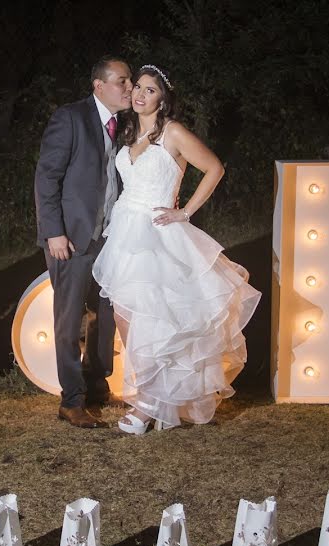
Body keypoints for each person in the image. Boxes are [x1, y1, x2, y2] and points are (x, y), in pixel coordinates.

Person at [92, 64, 262, 434]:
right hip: (125, 234)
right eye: (137, 86)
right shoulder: (130, 130)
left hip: (157, 233)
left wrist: (184, 211)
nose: (139, 94)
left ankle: (150, 405)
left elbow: (215, 168)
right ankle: (151, 395)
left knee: (158, 319)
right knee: (126, 317)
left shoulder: (174, 132)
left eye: (150, 90)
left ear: (163, 99)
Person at [34, 57, 133, 428]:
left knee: (104, 314)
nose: (129, 88)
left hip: (109, 238)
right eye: (122, 81)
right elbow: (47, 178)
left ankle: (96, 384)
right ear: (99, 85)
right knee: (69, 318)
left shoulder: (123, 125)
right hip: (71, 239)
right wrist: (53, 231)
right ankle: (71, 400)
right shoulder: (70, 118)